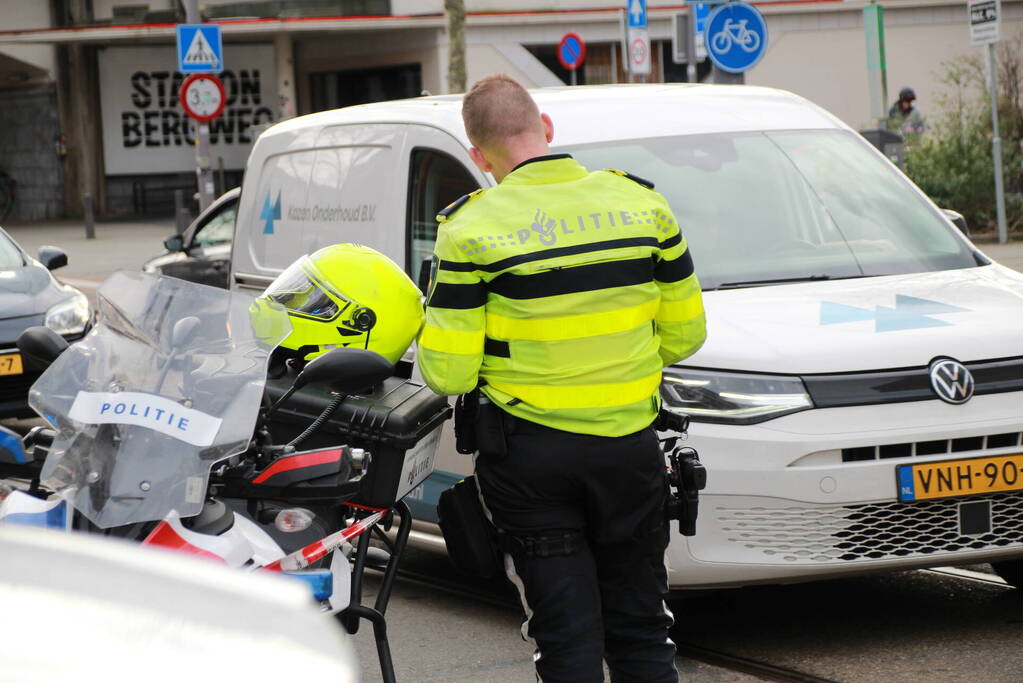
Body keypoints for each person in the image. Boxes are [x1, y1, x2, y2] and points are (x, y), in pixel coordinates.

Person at [417, 74, 706, 682]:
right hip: (631, 452)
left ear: (478, 155)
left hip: (530, 462)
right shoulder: (643, 205)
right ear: (546, 129)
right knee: (642, 631)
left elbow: (448, 372)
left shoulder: (469, 229)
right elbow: (686, 336)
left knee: (567, 636)